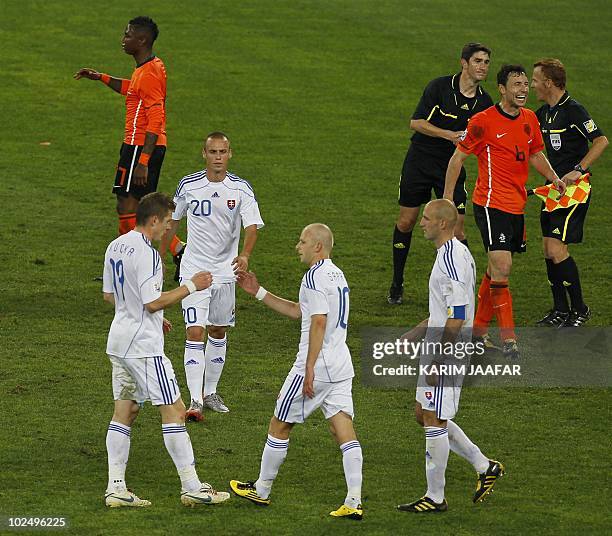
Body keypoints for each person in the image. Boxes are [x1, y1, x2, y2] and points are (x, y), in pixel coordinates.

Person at [102, 192, 229, 507]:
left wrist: (155, 316)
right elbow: (152, 301)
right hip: (142, 347)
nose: (170, 229)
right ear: (154, 220)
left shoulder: (116, 245)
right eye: (169, 222)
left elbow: (110, 295)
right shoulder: (147, 253)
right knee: (174, 410)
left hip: (118, 340)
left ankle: (116, 488)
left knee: (125, 410)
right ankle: (192, 487)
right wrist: (192, 286)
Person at [229, 224, 364, 520]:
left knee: (279, 423)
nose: (297, 246)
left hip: (318, 364)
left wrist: (309, 368)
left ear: (317, 246)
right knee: (341, 426)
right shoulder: (336, 274)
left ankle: (261, 490)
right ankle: (354, 500)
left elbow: (317, 322)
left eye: (303, 241)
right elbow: (300, 312)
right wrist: (258, 291)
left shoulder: (313, 277)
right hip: (341, 362)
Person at [444, 64, 566, 359]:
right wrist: (448, 200)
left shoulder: (529, 119)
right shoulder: (482, 121)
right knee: (503, 267)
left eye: (526, 84)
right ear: (502, 89)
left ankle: (476, 333)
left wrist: (555, 178)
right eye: (516, 85)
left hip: (516, 204)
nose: (523, 89)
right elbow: (457, 159)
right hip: (489, 203)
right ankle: (510, 339)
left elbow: (536, 152)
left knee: (494, 270)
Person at [397, 200, 504, 513]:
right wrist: (413, 335)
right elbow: (442, 311)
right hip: (438, 343)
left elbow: (457, 315)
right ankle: (484, 466)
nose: (422, 223)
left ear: (443, 224)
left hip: (449, 348)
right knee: (424, 413)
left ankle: (435, 497)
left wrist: (440, 359)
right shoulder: (447, 254)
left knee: (434, 418)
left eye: (427, 219)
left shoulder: (452, 259)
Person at [159, 132, 264, 418]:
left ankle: (211, 392)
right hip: (194, 270)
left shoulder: (241, 189)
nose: (218, 157)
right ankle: (194, 401)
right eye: (213, 151)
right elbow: (172, 223)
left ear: (230, 154)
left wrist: (244, 255)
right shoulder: (189, 185)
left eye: (223, 151)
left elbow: (252, 227)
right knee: (195, 333)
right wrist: (160, 257)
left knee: (218, 331)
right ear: (204, 154)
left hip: (226, 272)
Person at [388, 43, 493, 305]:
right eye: (478, 61)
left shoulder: (484, 102)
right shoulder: (440, 87)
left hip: (453, 165)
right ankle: (397, 283)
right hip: (420, 160)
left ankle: (466, 289)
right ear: (464, 63)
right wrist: (449, 135)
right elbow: (416, 123)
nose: (483, 66)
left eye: (486, 62)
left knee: (457, 228)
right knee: (406, 221)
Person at [74, 16, 184, 264]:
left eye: (127, 35)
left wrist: (143, 160)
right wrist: (100, 77)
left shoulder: (148, 74)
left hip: (139, 146)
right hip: (141, 146)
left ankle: (126, 262)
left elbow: (156, 118)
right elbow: (133, 89)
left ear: (142, 40)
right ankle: (177, 251)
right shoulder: (150, 67)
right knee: (140, 208)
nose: (123, 40)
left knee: (128, 207)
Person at [531, 59, 608, 327]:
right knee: (547, 250)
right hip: (552, 190)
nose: (532, 85)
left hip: (575, 190)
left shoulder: (574, 110)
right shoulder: (543, 113)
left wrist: (578, 169)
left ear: (549, 83)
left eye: (535, 80)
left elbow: (600, 141)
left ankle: (580, 309)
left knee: (556, 248)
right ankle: (560, 310)